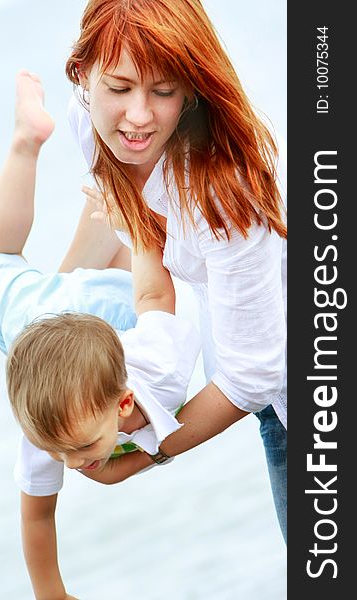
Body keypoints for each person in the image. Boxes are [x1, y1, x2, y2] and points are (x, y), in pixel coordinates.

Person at [60, 0, 287, 541]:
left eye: (163, 92)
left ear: (190, 93)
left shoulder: (221, 194)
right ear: (82, 73)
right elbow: (143, 246)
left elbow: (252, 375)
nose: (138, 117)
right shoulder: (93, 128)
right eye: (118, 88)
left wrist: (138, 458)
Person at [0, 70, 202, 600]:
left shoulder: (156, 364)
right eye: (63, 451)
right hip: (64, 316)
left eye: (78, 447)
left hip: (88, 310)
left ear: (126, 401)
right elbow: (35, 511)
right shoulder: (48, 430)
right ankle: (57, 160)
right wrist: (51, 593)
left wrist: (142, 225)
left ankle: (28, 141)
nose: (74, 463)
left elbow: (154, 298)